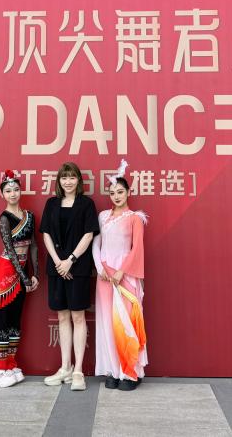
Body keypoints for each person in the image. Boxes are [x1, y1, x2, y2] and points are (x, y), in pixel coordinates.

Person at [40, 161, 99, 391]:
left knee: (78, 317)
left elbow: (89, 234)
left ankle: (78, 371)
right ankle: (65, 367)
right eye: (64, 177)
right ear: (59, 181)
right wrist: (58, 262)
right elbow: (45, 233)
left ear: (78, 180)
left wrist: (70, 260)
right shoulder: (51, 203)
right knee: (62, 317)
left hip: (78, 268)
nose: (68, 181)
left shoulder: (86, 204)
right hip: (56, 268)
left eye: (72, 177)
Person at [92, 160, 148, 390]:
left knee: (126, 322)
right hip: (104, 277)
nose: (116, 196)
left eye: (120, 192)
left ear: (128, 192)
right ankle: (113, 370)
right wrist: (101, 269)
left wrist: (121, 272)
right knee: (107, 322)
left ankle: (131, 372)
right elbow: (96, 244)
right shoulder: (103, 216)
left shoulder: (135, 218)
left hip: (126, 277)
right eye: (112, 193)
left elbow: (137, 249)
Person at [0, 170, 39, 387]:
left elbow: (33, 246)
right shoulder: (4, 219)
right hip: (6, 272)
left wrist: (35, 274)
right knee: (0, 319)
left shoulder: (30, 216)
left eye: (16, 189)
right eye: (8, 191)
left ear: (20, 191)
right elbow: (11, 251)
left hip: (23, 273)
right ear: (2, 194)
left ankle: (9, 364)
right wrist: (25, 278)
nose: (13, 194)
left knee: (15, 320)